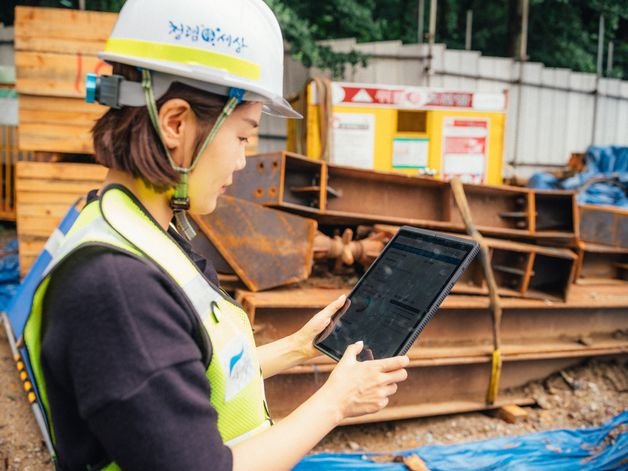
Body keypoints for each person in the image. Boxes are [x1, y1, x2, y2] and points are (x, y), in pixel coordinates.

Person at [23, 0, 409, 469]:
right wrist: (334, 403)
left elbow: (193, 371)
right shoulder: (119, 289)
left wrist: (296, 347)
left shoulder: (135, 229)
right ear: (176, 124)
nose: (243, 160)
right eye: (244, 136)